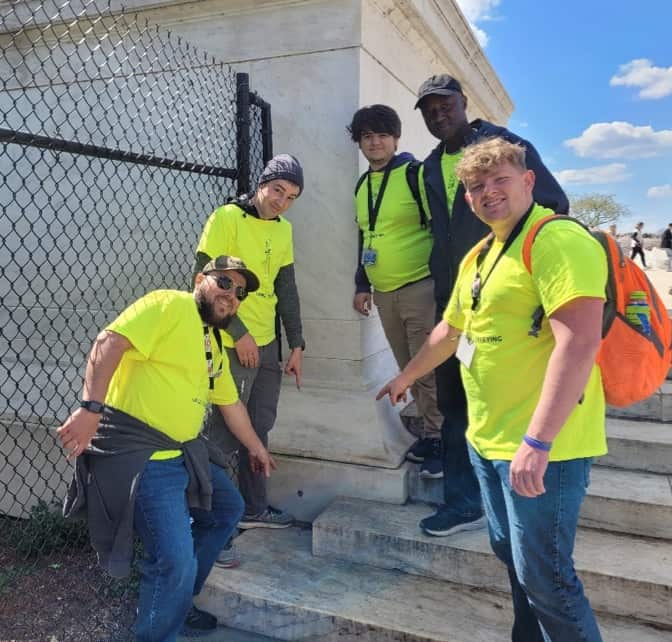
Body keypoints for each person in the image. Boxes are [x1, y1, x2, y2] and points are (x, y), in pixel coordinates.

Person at [378, 137, 606, 642]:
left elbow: (580, 341)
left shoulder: (556, 240)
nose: (489, 193)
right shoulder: (480, 254)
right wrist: (406, 376)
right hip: (488, 438)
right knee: (516, 562)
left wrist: (539, 442)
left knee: (547, 576)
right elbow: (449, 331)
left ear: (528, 181)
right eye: (477, 187)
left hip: (545, 445)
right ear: (467, 198)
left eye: (501, 180)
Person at [57, 256, 276, 641]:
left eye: (240, 292)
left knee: (228, 509)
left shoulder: (213, 341)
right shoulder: (168, 304)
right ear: (200, 280)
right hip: (145, 459)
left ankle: (175, 601)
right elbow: (109, 342)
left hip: (182, 454)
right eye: (224, 283)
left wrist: (257, 449)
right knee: (174, 559)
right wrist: (90, 408)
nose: (232, 295)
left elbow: (231, 405)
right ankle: (161, 625)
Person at [414, 73, 569, 537]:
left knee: (508, 400)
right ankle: (464, 502)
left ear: (464, 102)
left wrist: (535, 286)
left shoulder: (505, 145)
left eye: (446, 104)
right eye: (429, 109)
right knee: (455, 402)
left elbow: (554, 204)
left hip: (507, 300)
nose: (438, 114)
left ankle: (526, 497)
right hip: (455, 301)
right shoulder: (426, 167)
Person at [193, 154, 305, 532]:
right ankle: (206, 521)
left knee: (260, 425)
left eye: (291, 196)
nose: (282, 201)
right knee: (223, 434)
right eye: (277, 190)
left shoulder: (285, 229)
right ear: (261, 184)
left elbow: (286, 288)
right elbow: (204, 280)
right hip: (231, 340)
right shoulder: (227, 217)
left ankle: (253, 510)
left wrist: (297, 343)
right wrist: (237, 333)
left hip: (268, 341)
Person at [347, 104, 443, 478]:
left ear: (396, 137)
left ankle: (441, 437)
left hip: (419, 285)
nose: (374, 142)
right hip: (383, 292)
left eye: (382, 134)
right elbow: (364, 235)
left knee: (427, 365)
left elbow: (439, 227)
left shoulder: (415, 174)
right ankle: (431, 431)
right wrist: (361, 282)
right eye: (367, 136)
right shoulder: (362, 184)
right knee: (408, 366)